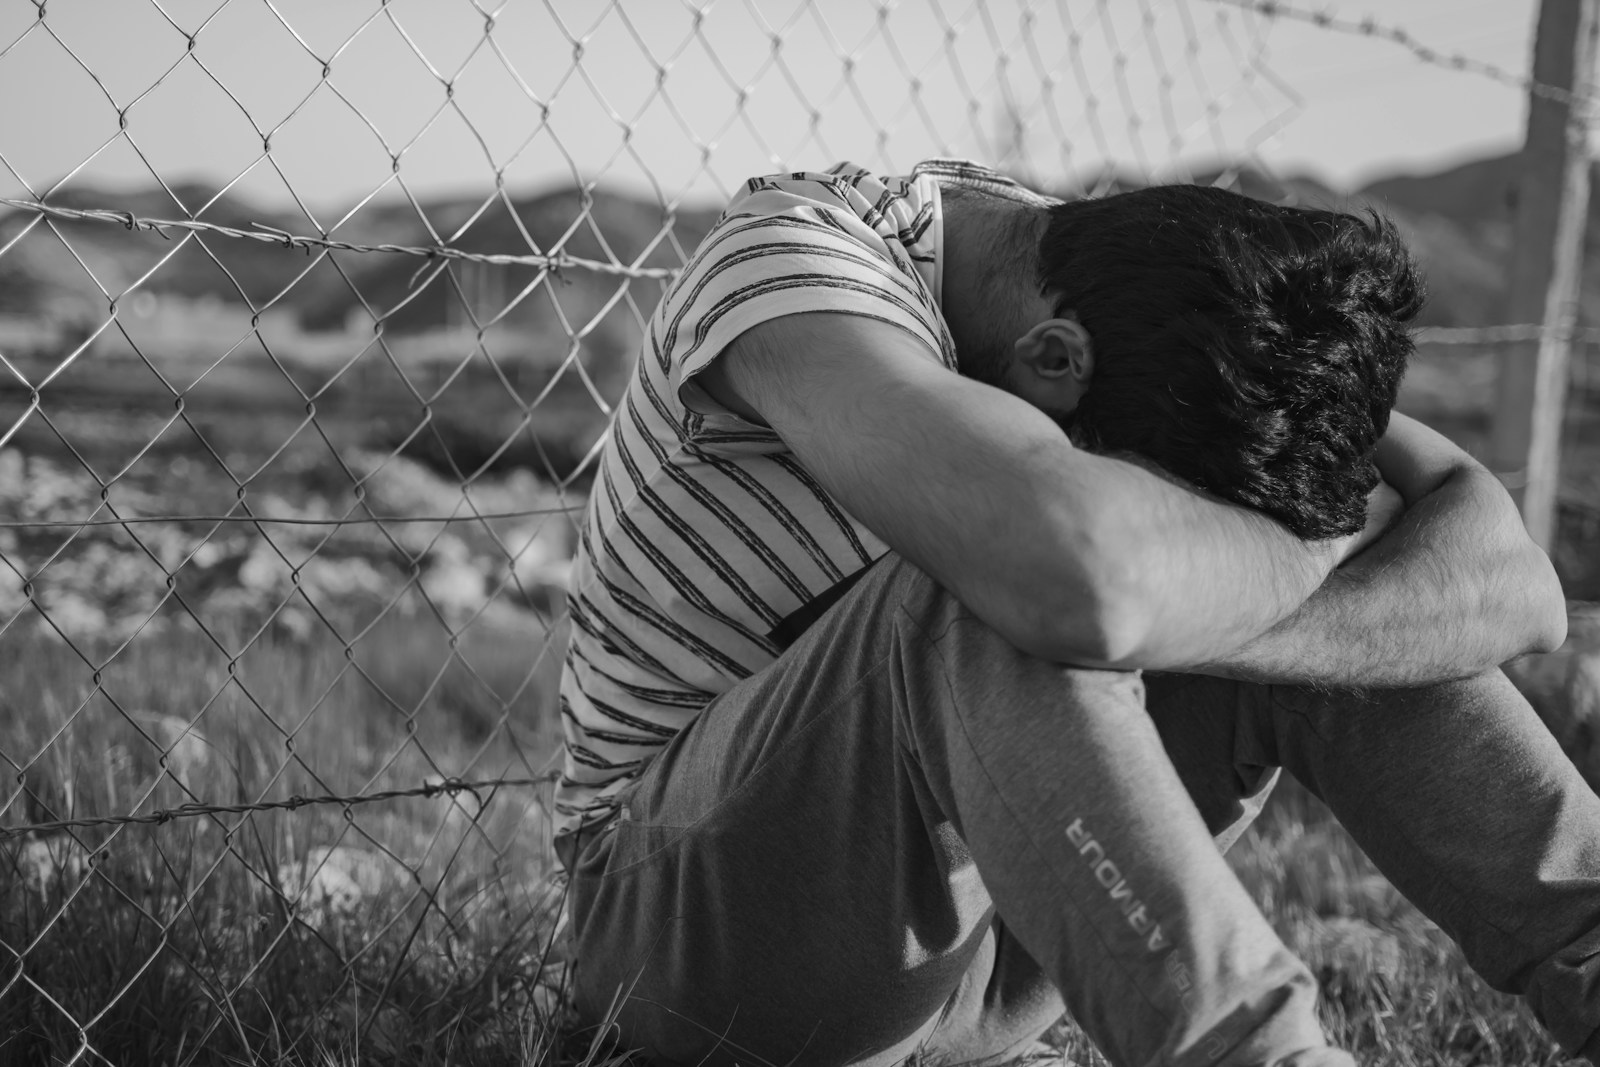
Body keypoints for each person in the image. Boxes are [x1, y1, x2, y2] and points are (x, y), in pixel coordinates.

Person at [553, 160, 1588, 1067]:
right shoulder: (792, 269)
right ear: (1054, 360)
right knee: (1005, 575)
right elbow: (1072, 575)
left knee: (1297, 564)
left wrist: (1237, 598)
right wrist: (1207, 582)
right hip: (695, 931)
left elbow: (1512, 581)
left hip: (990, 940)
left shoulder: (1177, 305)